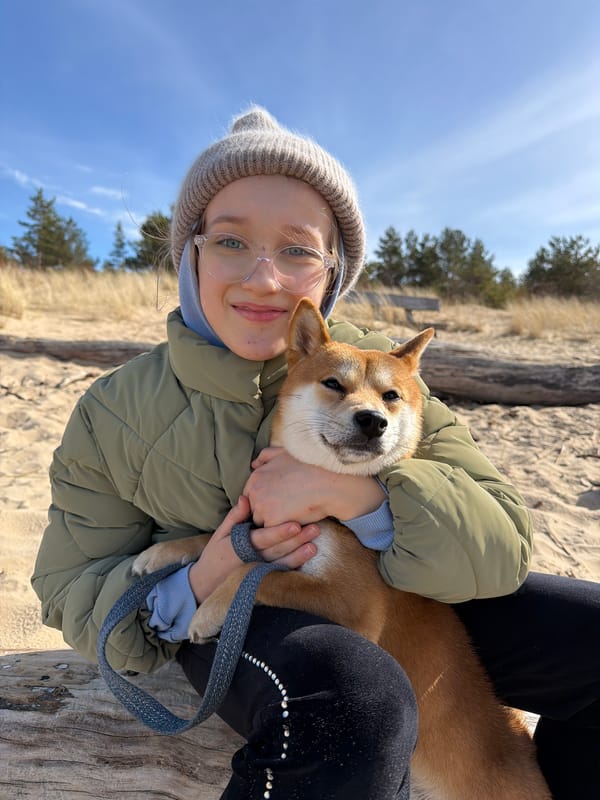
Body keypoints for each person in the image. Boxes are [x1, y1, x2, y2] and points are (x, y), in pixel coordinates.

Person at [32, 107, 598, 800]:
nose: (265, 278)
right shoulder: (114, 411)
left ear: (333, 270)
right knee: (351, 703)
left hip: (417, 602)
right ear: (190, 254)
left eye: (297, 250)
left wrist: (359, 498)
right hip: (235, 626)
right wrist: (202, 572)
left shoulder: (385, 371)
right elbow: (72, 592)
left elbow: (501, 545)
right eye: (231, 241)